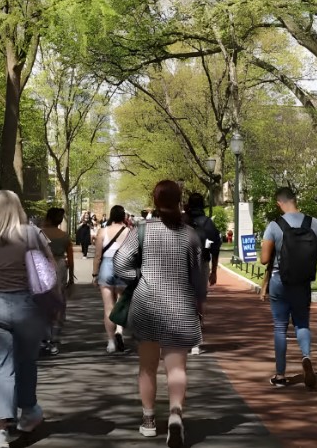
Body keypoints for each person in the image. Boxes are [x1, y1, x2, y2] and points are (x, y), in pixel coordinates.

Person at [114, 180, 203, 448]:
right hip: (181, 305)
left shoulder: (141, 231)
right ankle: (176, 414)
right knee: (177, 368)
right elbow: (198, 278)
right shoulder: (190, 235)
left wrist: (137, 276)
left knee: (147, 367)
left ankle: (149, 419)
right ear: (180, 200)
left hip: (147, 306)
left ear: (155, 200)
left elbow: (120, 263)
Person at [0, 190, 52, 448]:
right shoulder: (32, 234)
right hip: (27, 308)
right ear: (18, 209)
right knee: (27, 363)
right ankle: (28, 411)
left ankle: (1, 431)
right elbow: (48, 269)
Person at [259, 187, 317, 388]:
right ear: (295, 200)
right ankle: (306, 357)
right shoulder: (314, 223)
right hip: (303, 282)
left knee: (280, 327)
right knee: (302, 324)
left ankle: (280, 375)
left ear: (279, 203)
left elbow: (264, 260)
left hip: (280, 281)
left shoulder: (274, 225)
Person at [183, 193, 222, 355]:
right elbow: (215, 247)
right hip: (202, 264)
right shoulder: (208, 223)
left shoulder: (182, 221)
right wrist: (214, 271)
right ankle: (196, 340)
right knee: (200, 298)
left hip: (182, 264)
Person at [92, 205, 132, 353]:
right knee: (121, 303)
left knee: (108, 306)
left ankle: (110, 342)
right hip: (123, 266)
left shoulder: (103, 231)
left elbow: (97, 256)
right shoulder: (128, 232)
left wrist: (95, 274)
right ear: (123, 216)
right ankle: (119, 332)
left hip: (106, 266)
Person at [40, 207, 74, 356]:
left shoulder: (39, 234)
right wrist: (72, 276)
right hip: (59, 266)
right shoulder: (64, 236)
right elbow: (71, 259)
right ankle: (54, 338)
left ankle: (42, 338)